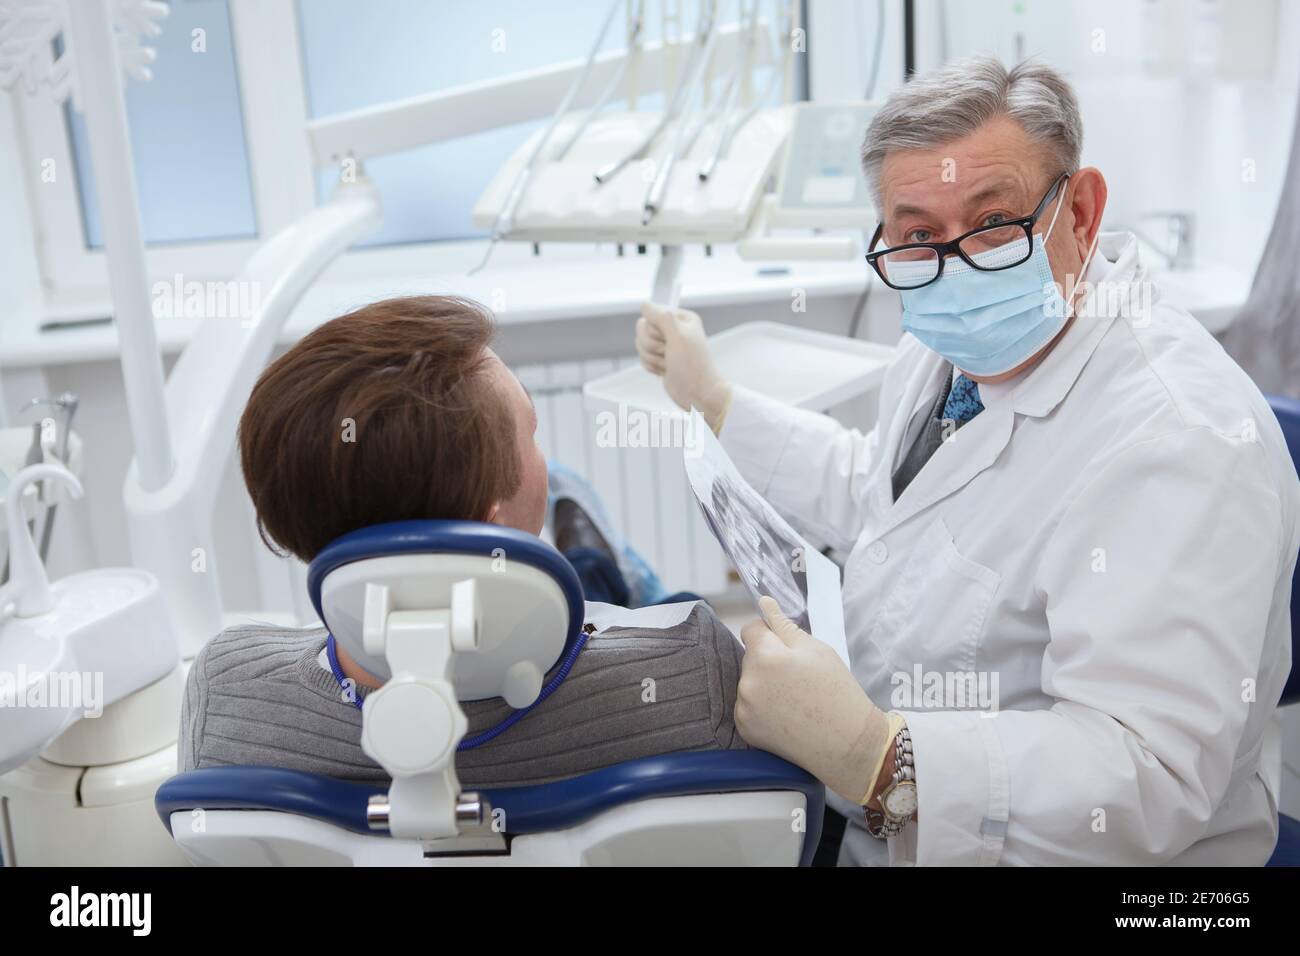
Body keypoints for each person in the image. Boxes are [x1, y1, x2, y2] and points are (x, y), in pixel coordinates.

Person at [636, 55, 1300, 865]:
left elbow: (1146, 774)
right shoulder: (956, 339)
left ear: (1082, 213)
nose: (955, 267)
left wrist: (886, 760)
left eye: (993, 224)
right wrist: (719, 405)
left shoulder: (1176, 440)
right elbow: (884, 491)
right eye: (917, 234)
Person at [179, 295, 747, 788]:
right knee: (641, 599)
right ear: (485, 517)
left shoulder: (223, 697)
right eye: (533, 433)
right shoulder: (693, 670)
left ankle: (595, 560)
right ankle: (599, 566)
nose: (543, 455)